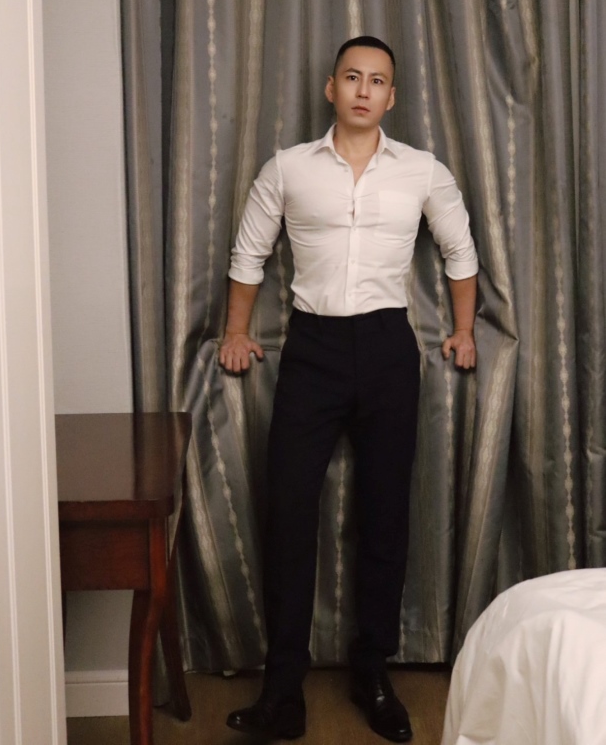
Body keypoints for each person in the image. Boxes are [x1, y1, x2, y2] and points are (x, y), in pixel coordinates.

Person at [219, 36, 478, 742]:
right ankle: (282, 690)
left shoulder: (422, 170)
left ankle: (372, 670)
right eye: (353, 77)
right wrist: (236, 332)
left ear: (392, 97)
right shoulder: (287, 167)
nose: (365, 90)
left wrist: (463, 330)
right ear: (332, 87)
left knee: (385, 514)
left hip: (389, 348)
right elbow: (250, 252)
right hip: (312, 350)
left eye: (378, 81)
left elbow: (459, 250)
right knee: (289, 512)